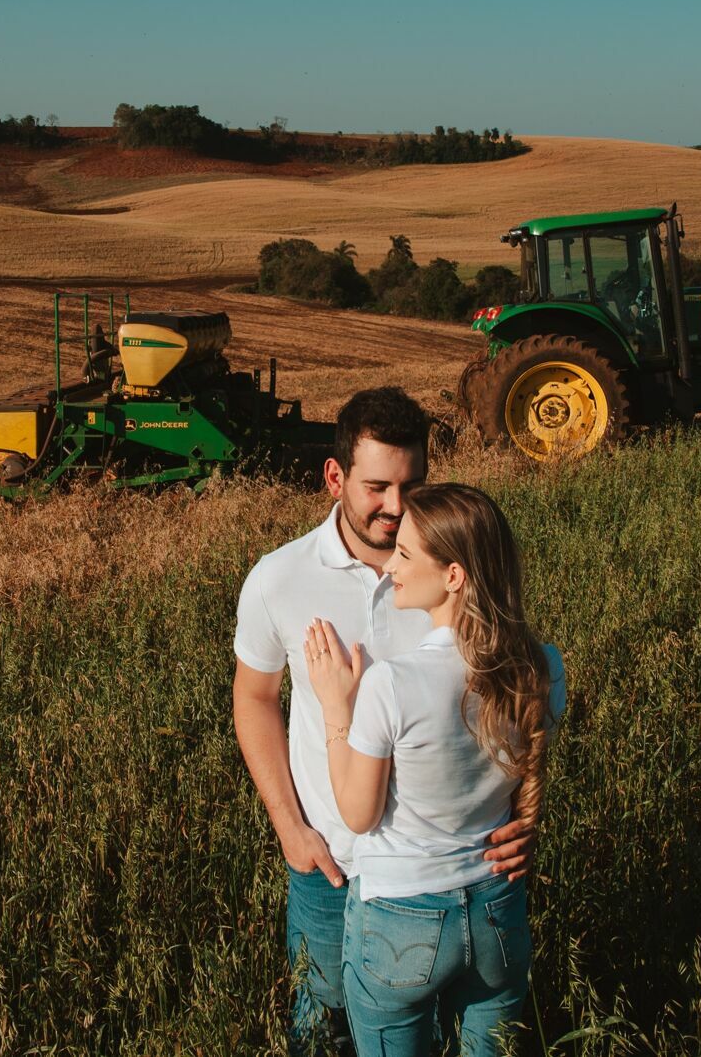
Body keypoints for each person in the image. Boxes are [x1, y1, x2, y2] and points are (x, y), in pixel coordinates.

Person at [233, 389, 539, 1053]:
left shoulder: (454, 573)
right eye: (377, 487)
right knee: (324, 1020)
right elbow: (254, 699)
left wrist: (525, 813)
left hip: (458, 872)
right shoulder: (278, 579)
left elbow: (513, 698)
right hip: (331, 862)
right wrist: (290, 828)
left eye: (413, 484)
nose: (397, 508)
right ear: (335, 477)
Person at [302, 483, 565, 1056]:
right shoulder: (542, 667)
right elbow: (520, 780)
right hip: (497, 906)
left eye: (405, 554)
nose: (390, 565)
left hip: (403, 914)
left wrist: (334, 707)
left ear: (453, 576)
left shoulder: (392, 684)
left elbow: (359, 814)